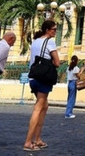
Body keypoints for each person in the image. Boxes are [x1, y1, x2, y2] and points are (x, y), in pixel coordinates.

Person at [23, 20, 60, 151]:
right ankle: (28, 142)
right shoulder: (50, 42)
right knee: (38, 107)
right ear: (47, 30)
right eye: (54, 29)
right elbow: (57, 62)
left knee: (44, 106)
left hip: (33, 77)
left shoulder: (35, 41)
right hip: (44, 77)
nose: (55, 31)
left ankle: (37, 139)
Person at [64, 54, 83, 119]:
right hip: (73, 83)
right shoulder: (76, 68)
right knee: (72, 99)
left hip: (69, 83)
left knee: (69, 98)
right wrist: (82, 70)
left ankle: (69, 112)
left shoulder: (68, 68)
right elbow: (78, 76)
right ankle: (68, 113)